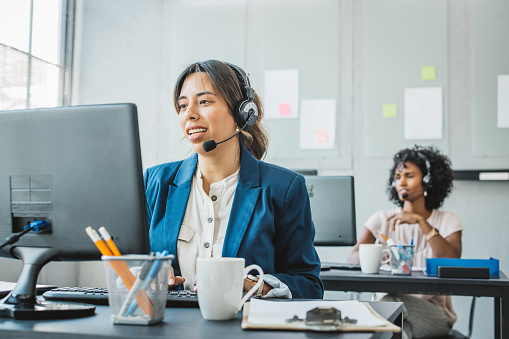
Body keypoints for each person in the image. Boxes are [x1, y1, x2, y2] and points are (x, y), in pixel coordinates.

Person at [144, 60, 324, 299]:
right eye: (182, 105)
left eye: (204, 101)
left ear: (242, 112)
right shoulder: (156, 182)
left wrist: (255, 286)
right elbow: (135, 266)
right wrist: (150, 279)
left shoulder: (284, 188)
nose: (189, 114)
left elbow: (309, 284)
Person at [347, 146, 462, 339]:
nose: (402, 182)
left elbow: (451, 258)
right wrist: (375, 258)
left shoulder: (447, 220)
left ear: (428, 180)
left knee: (393, 304)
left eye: (409, 176)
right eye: (398, 176)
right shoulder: (381, 219)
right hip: (388, 312)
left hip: (433, 313)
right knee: (400, 329)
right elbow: (352, 258)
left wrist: (421, 222)